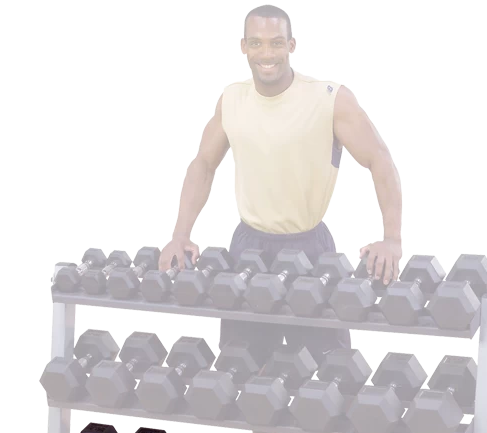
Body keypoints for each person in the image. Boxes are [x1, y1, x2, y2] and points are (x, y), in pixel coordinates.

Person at [159, 4, 403, 363]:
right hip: (248, 248)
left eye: (276, 43)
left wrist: (392, 239)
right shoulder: (232, 99)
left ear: (292, 45)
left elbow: (380, 159)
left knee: (329, 369)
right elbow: (203, 165)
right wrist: (180, 234)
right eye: (256, 43)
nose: (266, 54)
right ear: (243, 46)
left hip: (311, 249)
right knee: (245, 368)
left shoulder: (329, 98)